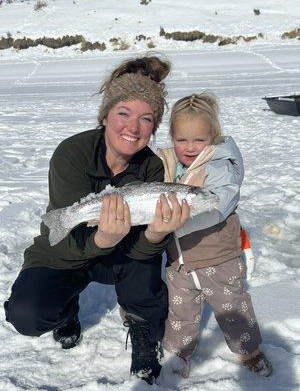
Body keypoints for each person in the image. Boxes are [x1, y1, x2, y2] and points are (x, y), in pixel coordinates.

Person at [4, 55, 190, 385]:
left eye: (146, 120)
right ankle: (66, 308)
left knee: (146, 271)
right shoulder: (71, 154)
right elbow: (59, 236)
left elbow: (143, 252)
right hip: (70, 248)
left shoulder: (151, 168)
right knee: (27, 314)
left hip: (123, 255)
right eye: (123, 113)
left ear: (153, 128)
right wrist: (102, 238)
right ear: (104, 116)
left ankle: (142, 328)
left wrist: (157, 234)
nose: (133, 128)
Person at [157, 92, 272, 378]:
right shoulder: (168, 165)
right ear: (172, 137)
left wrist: (173, 223)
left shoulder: (219, 167)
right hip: (180, 262)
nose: (190, 147)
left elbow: (217, 207)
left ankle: (250, 351)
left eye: (199, 140)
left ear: (213, 136)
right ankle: (177, 354)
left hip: (219, 258)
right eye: (182, 140)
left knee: (233, 308)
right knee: (181, 314)